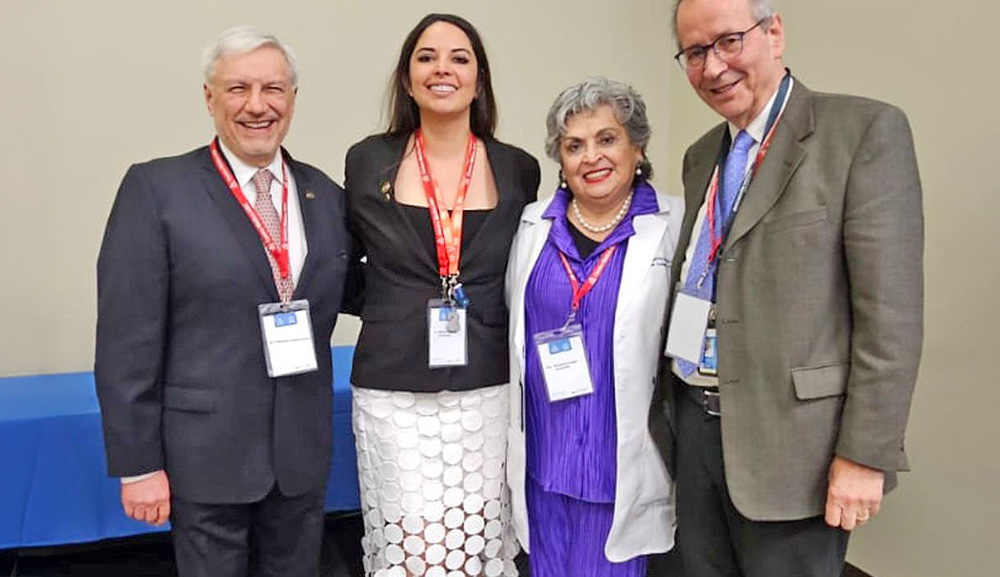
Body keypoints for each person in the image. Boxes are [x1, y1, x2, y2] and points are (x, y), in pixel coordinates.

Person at [653, 0, 924, 576]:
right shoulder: (702, 155)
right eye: (695, 53)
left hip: (795, 448)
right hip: (696, 430)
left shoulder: (862, 131)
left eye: (729, 41)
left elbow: (890, 319)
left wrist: (864, 456)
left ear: (774, 33)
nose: (714, 66)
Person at [95, 26, 352, 577]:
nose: (257, 106)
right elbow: (125, 340)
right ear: (209, 98)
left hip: (300, 457)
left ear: (293, 99)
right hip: (203, 458)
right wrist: (138, 465)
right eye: (238, 89)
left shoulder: (325, 195)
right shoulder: (156, 190)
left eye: (273, 89)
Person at [343, 13, 540, 577]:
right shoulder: (368, 161)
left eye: (459, 57)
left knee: (477, 542)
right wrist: (395, 310)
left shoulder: (518, 169)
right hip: (392, 388)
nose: (442, 69)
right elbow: (345, 263)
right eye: (426, 57)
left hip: (488, 388)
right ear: (407, 79)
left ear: (479, 79)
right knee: (412, 550)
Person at [505, 76, 681, 577]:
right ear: (559, 159)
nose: (592, 157)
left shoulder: (672, 224)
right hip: (543, 460)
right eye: (574, 145)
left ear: (637, 146)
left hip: (620, 465)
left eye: (608, 139)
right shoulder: (531, 226)